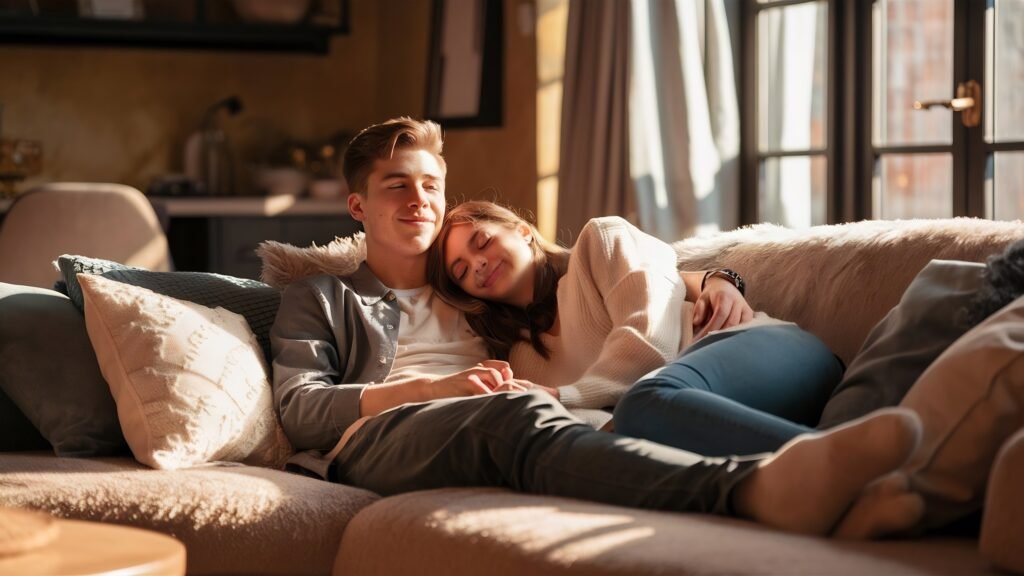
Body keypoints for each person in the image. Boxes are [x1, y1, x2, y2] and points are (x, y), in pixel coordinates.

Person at [270, 116, 923, 537]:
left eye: (430, 185)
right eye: (395, 186)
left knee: (561, 413)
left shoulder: (481, 306)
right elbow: (301, 412)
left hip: (520, 414)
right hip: (379, 436)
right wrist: (433, 392)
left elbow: (635, 282)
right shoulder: (322, 297)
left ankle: (815, 478)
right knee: (527, 413)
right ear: (357, 205)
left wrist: (720, 278)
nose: (419, 201)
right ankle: (753, 486)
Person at [429, 201, 843, 456]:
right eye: (462, 270)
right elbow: (586, 431)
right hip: (691, 412)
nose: (478, 264)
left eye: (480, 242)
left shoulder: (601, 242)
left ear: (521, 229)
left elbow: (649, 341)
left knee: (641, 406)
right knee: (637, 425)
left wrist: (566, 396)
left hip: (765, 351)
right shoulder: (520, 363)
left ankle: (840, 463)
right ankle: (821, 466)